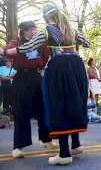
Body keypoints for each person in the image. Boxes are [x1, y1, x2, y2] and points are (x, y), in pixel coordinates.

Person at [0, 5, 90, 165]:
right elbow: (87, 43)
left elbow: (28, 47)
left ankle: (63, 152)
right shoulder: (71, 29)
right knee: (74, 103)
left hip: (57, 69)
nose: (34, 31)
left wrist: (5, 52)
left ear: (46, 18)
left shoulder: (47, 31)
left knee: (58, 105)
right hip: (75, 66)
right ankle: (74, 144)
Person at [2, 21, 59, 158]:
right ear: (24, 31)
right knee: (21, 111)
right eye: (31, 30)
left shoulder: (41, 43)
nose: (34, 32)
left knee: (43, 109)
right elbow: (7, 52)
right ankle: (18, 146)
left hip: (36, 76)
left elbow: (46, 57)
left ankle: (47, 139)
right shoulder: (15, 44)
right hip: (21, 77)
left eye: (35, 29)